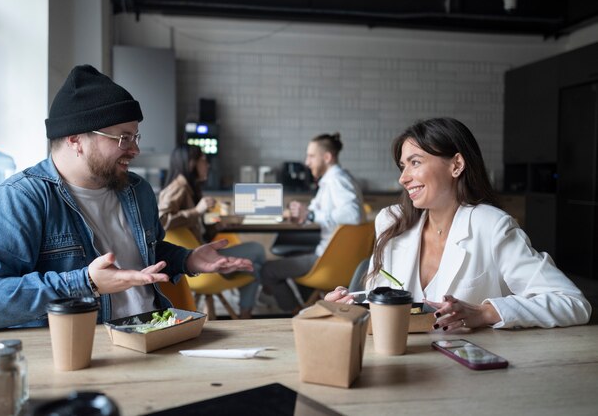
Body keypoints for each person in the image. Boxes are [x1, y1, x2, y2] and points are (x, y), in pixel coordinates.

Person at [0, 65, 252, 332]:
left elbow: (143, 255)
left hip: (154, 332)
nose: (135, 150)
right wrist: (85, 283)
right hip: (83, 352)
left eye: (136, 137)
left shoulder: (136, 190)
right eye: (123, 138)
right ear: (75, 139)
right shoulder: (20, 200)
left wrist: (188, 259)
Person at [325, 117, 592, 329]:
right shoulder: (392, 222)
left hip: (468, 375)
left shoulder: (492, 226)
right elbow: (377, 305)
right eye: (401, 166)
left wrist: (486, 312)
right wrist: (347, 305)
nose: (403, 178)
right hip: (403, 367)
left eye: (415, 163)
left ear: (456, 165)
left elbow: (572, 303)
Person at [261, 132, 365, 314]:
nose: (307, 162)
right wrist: (303, 215)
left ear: (327, 157)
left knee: (268, 270)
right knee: (291, 257)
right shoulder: (330, 181)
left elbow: (353, 214)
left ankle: (296, 315)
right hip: (335, 257)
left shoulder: (337, 180)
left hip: (330, 260)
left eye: (311, 156)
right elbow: (315, 211)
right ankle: (308, 308)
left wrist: (309, 216)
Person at [158, 144, 265, 318]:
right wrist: (197, 211)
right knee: (257, 250)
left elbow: (196, 230)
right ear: (191, 163)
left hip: (200, 254)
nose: (207, 165)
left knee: (255, 267)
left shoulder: (190, 188)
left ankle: (246, 316)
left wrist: (218, 226)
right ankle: (252, 308)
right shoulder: (178, 187)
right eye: (203, 161)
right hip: (194, 262)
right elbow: (161, 221)